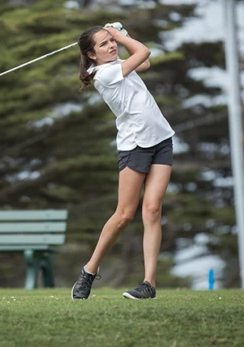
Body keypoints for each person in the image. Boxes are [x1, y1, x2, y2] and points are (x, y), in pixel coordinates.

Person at [71, 24, 175, 300]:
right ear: (91, 55)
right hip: (135, 146)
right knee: (125, 215)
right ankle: (89, 270)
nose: (112, 46)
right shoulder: (103, 74)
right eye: (104, 44)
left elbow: (145, 62)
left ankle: (149, 284)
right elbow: (144, 52)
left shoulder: (117, 64)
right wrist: (121, 35)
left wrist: (123, 37)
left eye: (111, 41)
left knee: (152, 210)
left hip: (161, 139)